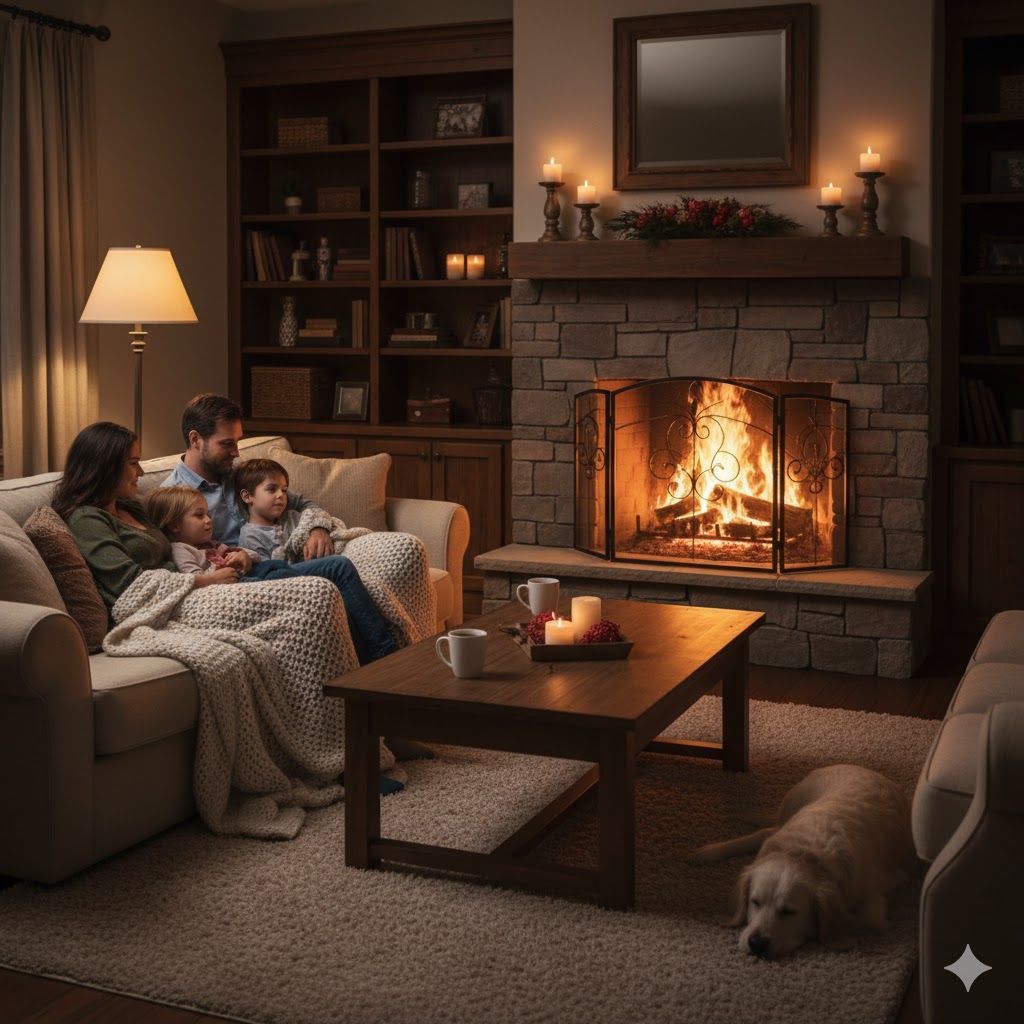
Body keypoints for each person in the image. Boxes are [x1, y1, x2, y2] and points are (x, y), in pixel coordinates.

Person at [146, 484, 267, 583]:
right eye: (199, 515)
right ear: (174, 526)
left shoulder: (212, 544)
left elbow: (256, 557)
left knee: (275, 565)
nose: (209, 520)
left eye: (208, 514)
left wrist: (243, 555)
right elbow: (195, 580)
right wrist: (224, 567)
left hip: (242, 577)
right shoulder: (180, 550)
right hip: (227, 588)